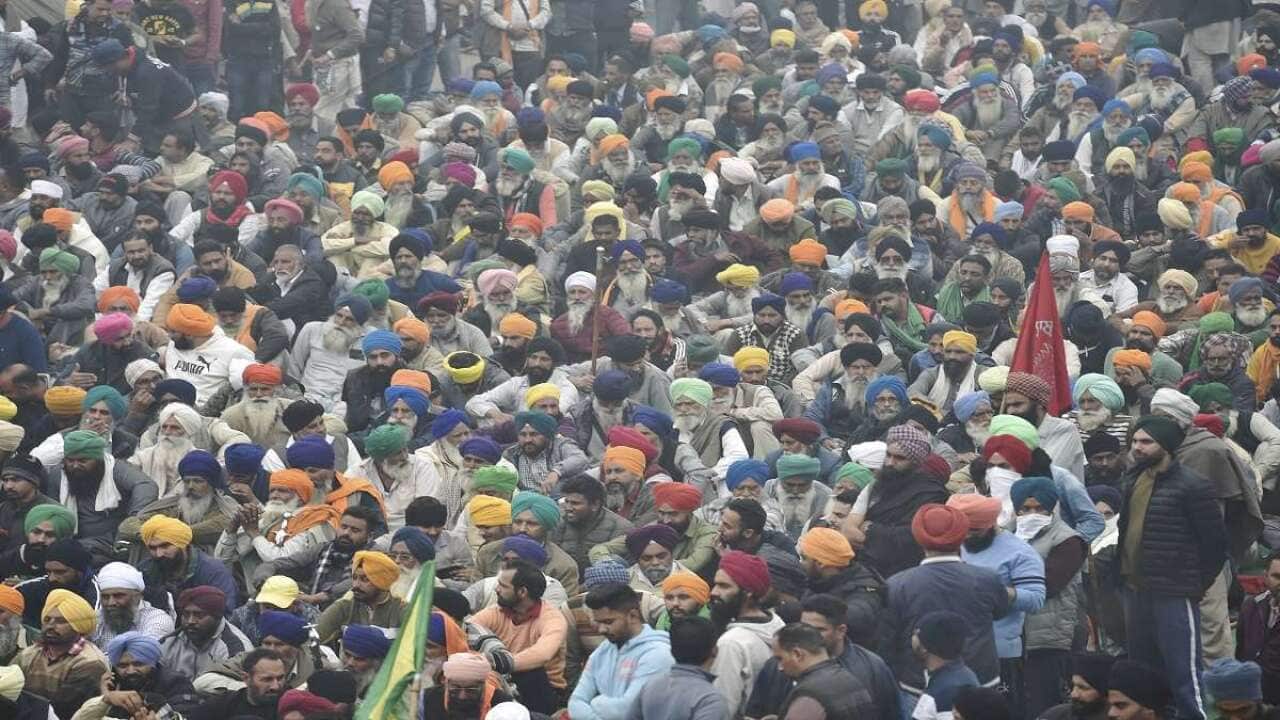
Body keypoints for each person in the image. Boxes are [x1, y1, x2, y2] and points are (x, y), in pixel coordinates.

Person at [568, 582, 674, 718]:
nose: (601, 629)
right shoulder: (603, 651)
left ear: (633, 616)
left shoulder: (659, 654)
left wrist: (596, 702)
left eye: (608, 622)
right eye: (597, 622)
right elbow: (576, 702)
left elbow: (629, 710)